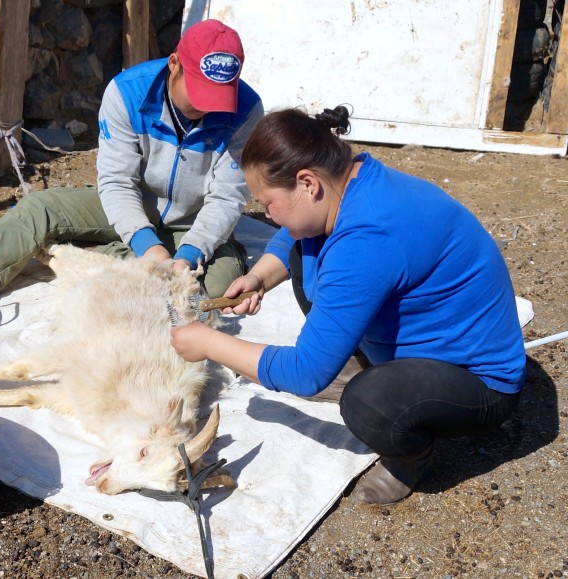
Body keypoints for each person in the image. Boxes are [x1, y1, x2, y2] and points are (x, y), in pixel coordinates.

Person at [169, 105, 526, 504]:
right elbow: (293, 234)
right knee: (306, 253)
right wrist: (258, 277)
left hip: (478, 381)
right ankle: (360, 363)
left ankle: (411, 455)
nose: (266, 214)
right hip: (420, 345)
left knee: (368, 403)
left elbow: (305, 375)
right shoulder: (348, 177)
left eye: (267, 203)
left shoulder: (367, 240)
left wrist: (207, 342)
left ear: (307, 183)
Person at [0, 18, 264, 321]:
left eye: (217, 98)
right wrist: (150, 248)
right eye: (199, 95)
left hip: (192, 225)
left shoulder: (246, 111)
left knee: (215, 288)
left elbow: (227, 196)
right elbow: (117, 182)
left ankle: (81, 252)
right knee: (39, 209)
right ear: (174, 63)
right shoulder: (127, 93)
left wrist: (187, 256)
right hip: (132, 207)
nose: (205, 110)